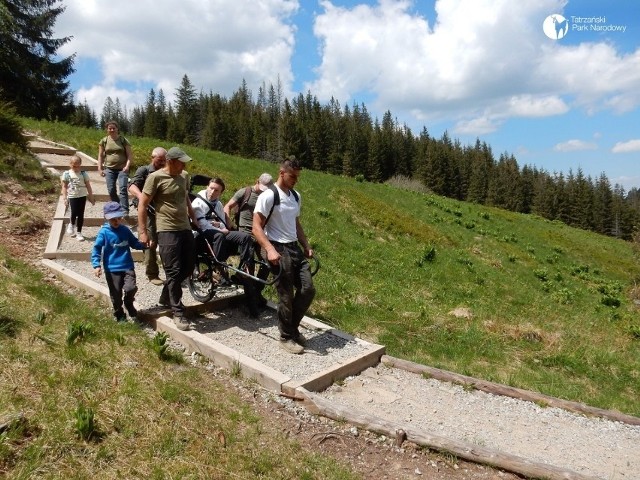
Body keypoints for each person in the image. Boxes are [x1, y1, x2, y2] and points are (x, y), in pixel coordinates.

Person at [253, 157, 316, 354]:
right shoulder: (269, 196)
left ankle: (292, 328)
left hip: (294, 248)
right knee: (286, 294)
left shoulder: (296, 196)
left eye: (297, 177)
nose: (295, 180)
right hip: (277, 248)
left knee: (308, 289)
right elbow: (256, 227)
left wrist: (306, 245)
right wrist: (269, 249)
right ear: (282, 173)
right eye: (292, 176)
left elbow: (295, 224)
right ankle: (286, 336)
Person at [137, 147, 198, 331]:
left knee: (188, 267)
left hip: (185, 227)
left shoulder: (184, 176)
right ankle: (178, 312)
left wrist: (193, 217)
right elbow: (142, 205)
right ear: (171, 161)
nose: (184, 165)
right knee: (173, 270)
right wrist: (143, 232)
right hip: (166, 229)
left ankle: (166, 296)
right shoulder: (155, 178)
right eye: (182, 162)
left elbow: (186, 197)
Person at [192, 177, 260, 317]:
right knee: (220, 236)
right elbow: (201, 224)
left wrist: (220, 226)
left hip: (217, 233)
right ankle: (219, 266)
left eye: (216, 190)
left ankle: (245, 265)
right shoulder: (198, 202)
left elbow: (223, 223)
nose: (212, 192)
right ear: (207, 186)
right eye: (211, 188)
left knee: (245, 237)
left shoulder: (218, 204)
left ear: (221, 192)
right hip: (201, 235)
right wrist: (218, 228)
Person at [223, 173, 273, 305]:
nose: (263, 192)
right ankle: (250, 297)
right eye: (262, 188)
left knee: (268, 261)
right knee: (249, 262)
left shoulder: (269, 196)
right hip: (245, 231)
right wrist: (229, 224)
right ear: (257, 181)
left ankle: (256, 291)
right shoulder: (245, 192)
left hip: (260, 232)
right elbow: (227, 206)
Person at [91, 201, 146, 322]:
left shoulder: (125, 230)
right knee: (115, 295)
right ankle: (119, 314)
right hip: (112, 269)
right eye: (113, 219)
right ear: (106, 218)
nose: (116, 221)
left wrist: (144, 245)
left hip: (127, 266)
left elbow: (134, 243)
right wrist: (96, 265)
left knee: (131, 288)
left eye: (118, 218)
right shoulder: (104, 232)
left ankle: (128, 302)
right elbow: (97, 248)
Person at [128, 147, 166, 286]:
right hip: (148, 212)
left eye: (164, 160)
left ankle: (170, 272)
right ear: (152, 157)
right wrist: (142, 197)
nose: (162, 163)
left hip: (163, 212)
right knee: (150, 242)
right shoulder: (143, 171)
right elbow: (132, 186)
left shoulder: (166, 172)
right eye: (159, 160)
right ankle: (152, 274)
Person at [98, 120, 132, 215]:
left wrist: (127, 166)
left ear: (117, 129)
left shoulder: (123, 140)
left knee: (122, 189)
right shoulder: (104, 141)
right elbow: (100, 155)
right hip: (109, 169)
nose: (112, 130)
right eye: (110, 128)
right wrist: (100, 168)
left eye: (114, 128)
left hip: (122, 169)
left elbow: (129, 155)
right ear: (107, 130)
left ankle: (125, 210)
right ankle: (118, 207)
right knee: (111, 189)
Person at [61, 154, 95, 242]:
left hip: (82, 195)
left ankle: (79, 232)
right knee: (74, 211)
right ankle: (71, 224)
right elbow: (64, 186)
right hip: (72, 195)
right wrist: (65, 198)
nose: (75, 168)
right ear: (70, 164)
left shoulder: (83, 174)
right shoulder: (67, 174)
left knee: (81, 214)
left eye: (77, 166)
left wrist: (91, 197)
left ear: (80, 165)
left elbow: (88, 186)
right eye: (73, 166)